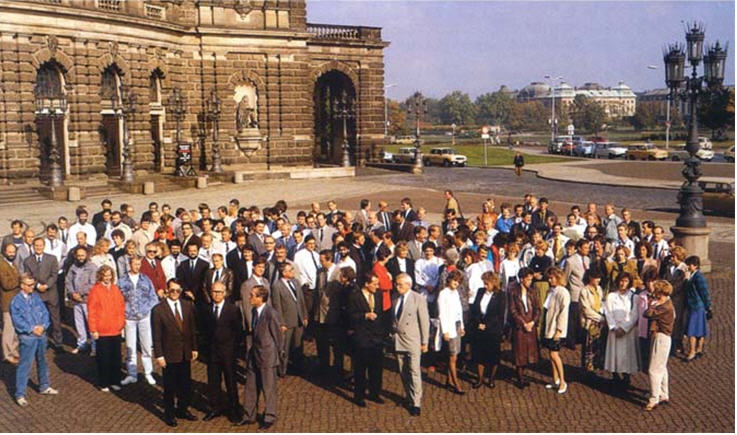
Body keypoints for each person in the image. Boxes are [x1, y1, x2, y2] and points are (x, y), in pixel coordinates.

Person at [152, 279, 199, 427]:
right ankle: (169, 414)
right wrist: (159, 355)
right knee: (170, 387)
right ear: (167, 290)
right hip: (169, 354)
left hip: (185, 353)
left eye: (178, 290)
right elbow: (157, 335)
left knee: (185, 385)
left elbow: (192, 329)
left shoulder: (187, 306)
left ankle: (183, 409)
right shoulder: (158, 310)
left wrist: (194, 348)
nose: (175, 293)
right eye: (172, 290)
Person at [11, 273, 58, 406]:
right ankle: (20, 394)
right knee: (25, 365)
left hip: (41, 335)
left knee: (42, 361)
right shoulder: (16, 302)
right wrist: (32, 329)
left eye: (33, 284)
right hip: (28, 337)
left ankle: (44, 386)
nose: (32, 287)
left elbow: (45, 313)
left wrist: (43, 327)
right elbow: (18, 321)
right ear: (22, 285)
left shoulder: (36, 297)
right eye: (29, 285)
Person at [239, 285, 282, 429]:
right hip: (254, 354)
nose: (249, 298)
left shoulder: (270, 313)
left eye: (252, 295)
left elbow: (278, 336)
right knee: (251, 387)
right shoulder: (254, 311)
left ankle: (269, 416)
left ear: (260, 298)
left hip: (267, 356)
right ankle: (249, 415)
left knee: (268, 388)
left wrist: (279, 355)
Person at [202, 281, 242, 423]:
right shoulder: (206, 309)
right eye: (214, 292)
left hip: (228, 353)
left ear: (224, 293)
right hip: (212, 353)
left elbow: (238, 332)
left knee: (231, 383)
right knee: (213, 383)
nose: (216, 295)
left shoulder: (232, 309)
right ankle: (215, 408)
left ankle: (234, 410)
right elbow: (203, 331)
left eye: (219, 292)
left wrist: (234, 352)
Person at [348, 273, 389, 407]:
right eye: (374, 284)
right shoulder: (355, 296)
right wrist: (365, 316)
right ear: (366, 284)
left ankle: (374, 393)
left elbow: (382, 315)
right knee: (360, 369)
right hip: (362, 337)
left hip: (376, 337)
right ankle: (359, 395)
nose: (377, 287)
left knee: (376, 368)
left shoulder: (378, 295)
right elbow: (349, 315)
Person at [391, 273, 429, 416]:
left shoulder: (418, 299)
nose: (397, 286)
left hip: (413, 340)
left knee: (414, 371)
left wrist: (425, 342)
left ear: (408, 285)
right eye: (396, 284)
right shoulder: (395, 298)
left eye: (400, 284)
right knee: (403, 370)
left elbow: (424, 321)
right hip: (398, 339)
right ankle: (408, 396)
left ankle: (416, 402)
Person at [118, 256, 159, 386]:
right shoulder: (122, 281)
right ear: (130, 264)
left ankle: (148, 373)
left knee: (146, 346)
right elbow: (117, 299)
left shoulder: (146, 279)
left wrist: (145, 310)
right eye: (135, 264)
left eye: (139, 264)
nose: (137, 266)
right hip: (129, 318)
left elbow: (153, 298)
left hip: (144, 317)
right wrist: (124, 311)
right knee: (130, 347)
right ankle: (132, 374)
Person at [87, 265, 125, 392]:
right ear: (101, 276)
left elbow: (121, 307)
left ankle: (115, 380)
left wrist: (121, 324)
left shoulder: (115, 289)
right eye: (105, 275)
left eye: (109, 275)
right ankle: (103, 382)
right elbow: (91, 311)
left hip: (115, 329)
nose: (108, 278)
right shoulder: (95, 290)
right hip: (102, 330)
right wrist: (93, 329)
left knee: (116, 357)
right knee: (103, 358)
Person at [22, 237, 62, 350]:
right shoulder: (28, 261)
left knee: (55, 319)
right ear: (33, 247)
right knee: (39, 320)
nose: (38, 247)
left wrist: (46, 285)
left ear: (44, 246)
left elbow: (54, 275)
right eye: (36, 246)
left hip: (51, 293)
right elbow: (28, 276)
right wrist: (38, 286)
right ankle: (42, 343)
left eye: (40, 245)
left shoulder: (52, 259)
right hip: (37, 293)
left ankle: (58, 343)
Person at [470, 270, 506, 389]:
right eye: (484, 283)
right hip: (480, 328)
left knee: (493, 356)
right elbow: (475, 309)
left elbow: (500, 315)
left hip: (493, 330)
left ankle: (491, 378)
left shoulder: (501, 295)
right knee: (479, 354)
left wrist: (488, 325)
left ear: (493, 283)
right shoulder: (480, 292)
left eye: (487, 284)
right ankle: (480, 378)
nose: (485, 286)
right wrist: (479, 322)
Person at [271, 262, 308, 375]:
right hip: (287, 321)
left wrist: (305, 316)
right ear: (284, 272)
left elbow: (301, 300)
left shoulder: (296, 282)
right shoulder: (277, 286)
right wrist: (281, 323)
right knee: (285, 347)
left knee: (298, 345)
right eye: (290, 270)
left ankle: (298, 368)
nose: (293, 271)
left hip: (299, 319)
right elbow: (277, 306)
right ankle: (282, 369)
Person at [643, 280, 675, 411]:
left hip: (661, 337)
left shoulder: (664, 307)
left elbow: (647, 314)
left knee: (654, 369)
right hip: (664, 338)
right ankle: (663, 393)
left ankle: (654, 398)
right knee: (662, 367)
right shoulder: (667, 302)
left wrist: (651, 304)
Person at [604, 272, 640, 387]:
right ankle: (614, 376)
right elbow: (608, 312)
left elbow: (634, 314)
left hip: (627, 330)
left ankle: (626, 377)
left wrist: (624, 328)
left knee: (626, 354)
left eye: (625, 281)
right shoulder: (611, 296)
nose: (622, 283)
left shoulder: (634, 297)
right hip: (615, 329)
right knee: (614, 353)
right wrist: (614, 327)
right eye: (621, 280)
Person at [508, 267, 540, 388]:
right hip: (520, 326)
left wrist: (532, 322)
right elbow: (513, 310)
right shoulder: (514, 292)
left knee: (528, 351)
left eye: (531, 279)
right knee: (519, 352)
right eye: (528, 279)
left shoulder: (532, 291)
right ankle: (520, 377)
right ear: (522, 279)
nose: (530, 282)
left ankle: (523, 373)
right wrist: (523, 323)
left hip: (530, 325)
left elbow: (537, 309)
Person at [542, 267, 570, 394]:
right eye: (548, 278)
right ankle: (555, 379)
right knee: (551, 354)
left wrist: (559, 330)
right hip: (549, 327)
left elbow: (564, 313)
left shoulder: (562, 292)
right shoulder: (550, 291)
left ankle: (563, 381)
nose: (549, 280)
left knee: (554, 354)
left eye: (552, 278)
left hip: (556, 329)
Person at [65, 245, 98, 355]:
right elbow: (68, 281)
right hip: (75, 300)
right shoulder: (73, 267)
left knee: (91, 323)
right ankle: (82, 343)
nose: (80, 257)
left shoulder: (92, 267)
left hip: (87, 299)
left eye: (82, 255)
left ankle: (94, 347)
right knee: (79, 323)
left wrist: (81, 293)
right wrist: (72, 293)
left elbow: (92, 283)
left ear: (87, 255)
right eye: (78, 255)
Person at [437, 270, 466, 395]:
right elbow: (442, 313)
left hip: (457, 326)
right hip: (449, 327)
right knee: (452, 356)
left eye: (458, 281)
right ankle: (456, 383)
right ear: (449, 280)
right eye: (454, 281)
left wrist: (462, 326)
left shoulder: (456, 293)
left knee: (455, 355)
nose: (456, 283)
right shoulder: (443, 294)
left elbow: (459, 311)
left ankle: (449, 379)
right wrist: (445, 331)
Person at [683, 255, 711, 362]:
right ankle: (698, 349)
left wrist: (708, 306)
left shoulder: (698, 277)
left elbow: (704, 292)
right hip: (694, 306)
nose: (687, 267)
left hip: (697, 306)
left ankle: (692, 351)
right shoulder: (692, 275)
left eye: (689, 265)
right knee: (699, 328)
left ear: (695, 265)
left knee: (692, 330)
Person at [579, 270, 606, 374]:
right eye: (596, 278)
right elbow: (586, 310)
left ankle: (596, 366)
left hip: (599, 322)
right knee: (588, 346)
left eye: (599, 278)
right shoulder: (584, 291)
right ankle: (587, 368)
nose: (598, 280)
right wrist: (600, 318)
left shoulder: (599, 289)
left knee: (598, 346)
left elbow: (601, 303)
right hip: (590, 322)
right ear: (590, 278)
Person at [1, 243, 21, 364]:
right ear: (4, 252)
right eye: (9, 251)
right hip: (7, 302)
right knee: (8, 329)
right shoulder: (2, 265)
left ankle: (13, 351)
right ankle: (7, 354)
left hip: (15, 302)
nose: (12, 254)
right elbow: (6, 284)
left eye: (13, 251)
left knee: (14, 329)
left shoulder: (13, 264)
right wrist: (19, 279)